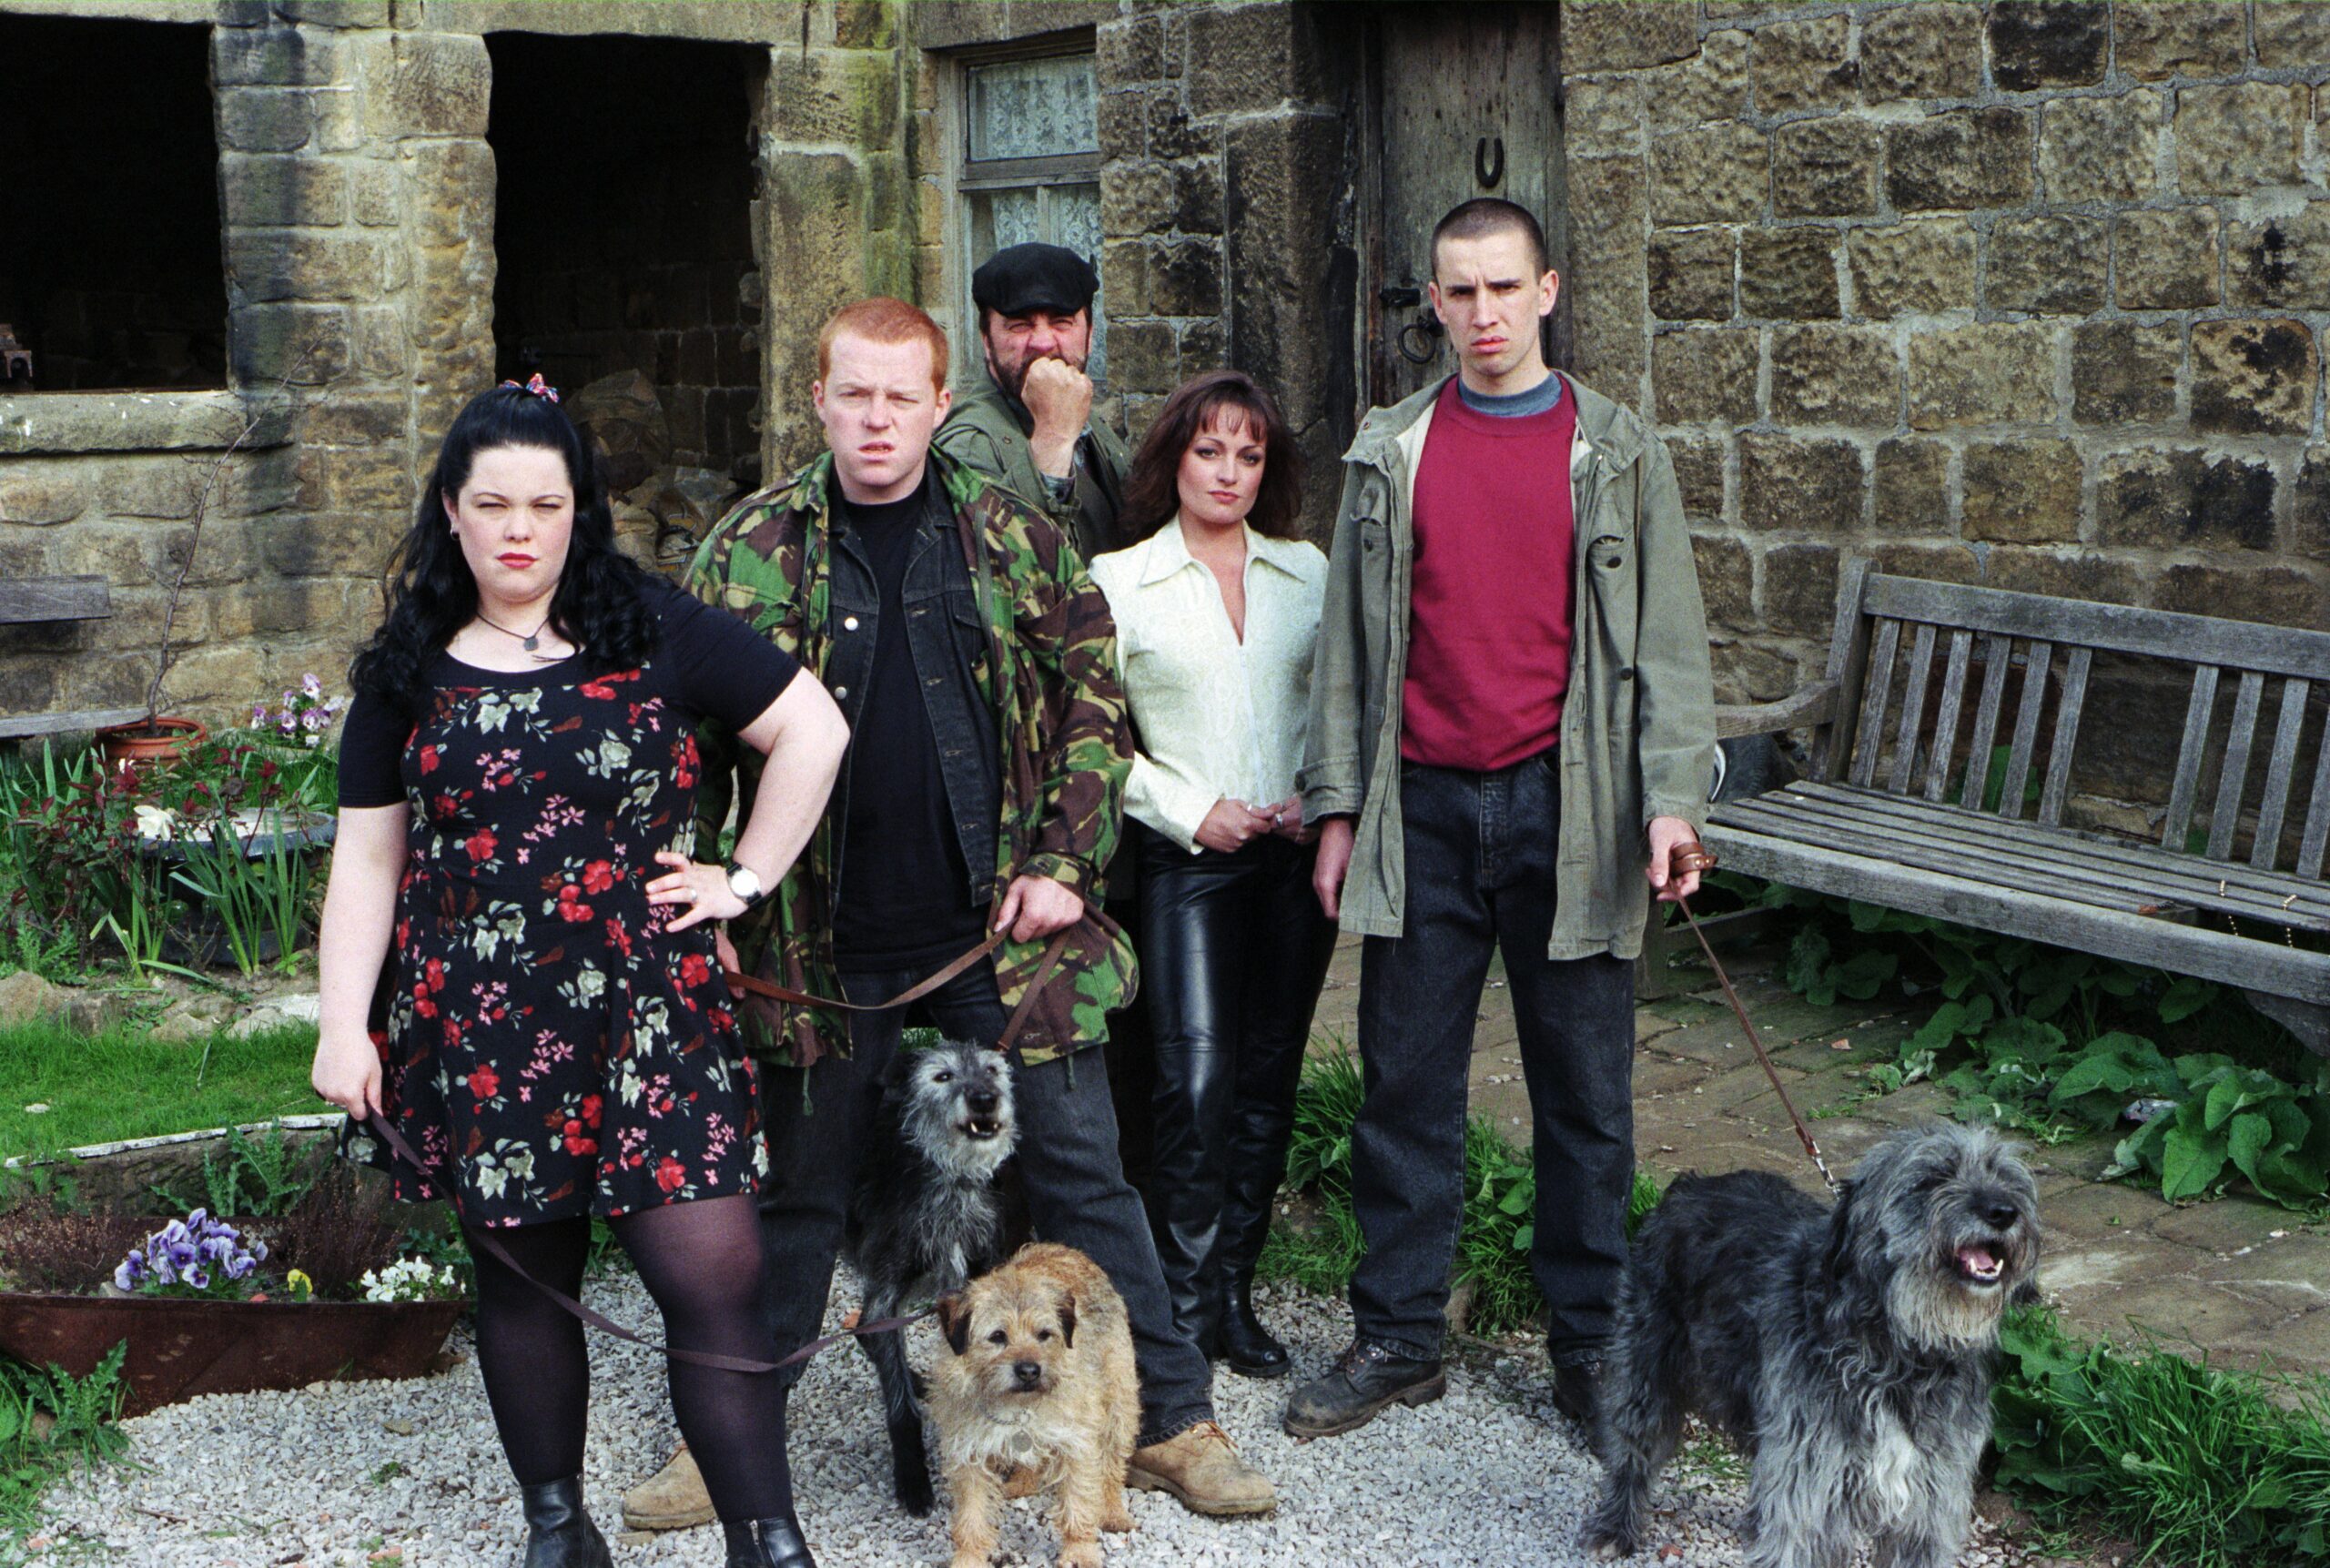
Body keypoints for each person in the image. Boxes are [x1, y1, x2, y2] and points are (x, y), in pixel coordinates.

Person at [623, 297, 1276, 1529]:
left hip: (1001, 935)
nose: (876, 419)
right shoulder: (750, 547)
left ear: (938, 404)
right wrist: (695, 873)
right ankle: (722, 1442)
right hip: (816, 943)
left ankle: (1174, 1420)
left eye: (899, 397)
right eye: (852, 394)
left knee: (1087, 1175)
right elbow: (682, 737)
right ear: (817, 399)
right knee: (797, 1196)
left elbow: (1096, 698)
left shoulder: (1010, 534)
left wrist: (1068, 863)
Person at [311, 377, 849, 1568]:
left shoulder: (654, 626)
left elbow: (812, 728)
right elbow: (366, 856)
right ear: (450, 510)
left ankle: (771, 1543)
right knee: (525, 1284)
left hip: (650, 1014)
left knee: (715, 1272)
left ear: (578, 511)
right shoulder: (406, 669)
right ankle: (560, 1530)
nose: (518, 528)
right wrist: (343, 1022)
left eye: (544, 504)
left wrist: (743, 878)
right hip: (485, 1023)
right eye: (492, 502)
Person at [1284, 198, 1717, 1441]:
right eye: (1457, 292)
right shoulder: (1392, 451)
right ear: (1432, 300)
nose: (1479, 314)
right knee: (1403, 1082)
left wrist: (1671, 801)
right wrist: (1335, 813)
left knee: (1584, 1096)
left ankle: (1591, 1349)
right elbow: (1349, 658)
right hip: (1419, 806)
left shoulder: (1619, 451)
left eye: (1501, 288)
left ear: (1548, 290)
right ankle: (1401, 1333)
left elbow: (1672, 651)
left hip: (1568, 809)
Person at [1086, 369, 1335, 1380]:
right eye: (1208, 450)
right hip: (1186, 861)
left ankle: (1233, 1290)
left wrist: (1318, 797)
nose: (1227, 471)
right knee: (1192, 1081)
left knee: (1268, 1080)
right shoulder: (1119, 579)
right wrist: (1195, 809)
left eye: (1249, 453)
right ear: (1172, 459)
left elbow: (1346, 702)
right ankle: (1178, 1316)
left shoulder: (1306, 572)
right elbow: (1091, 738)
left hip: (1290, 856)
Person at [933, 239, 1158, 1210]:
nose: (1041, 342)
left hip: (1103, 776)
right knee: (1042, 1039)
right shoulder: (982, 440)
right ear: (983, 338)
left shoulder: (1096, 432)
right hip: (1028, 792)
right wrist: (1056, 450)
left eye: (1059, 321)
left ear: (1089, 325)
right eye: (1017, 325)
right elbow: (1026, 608)